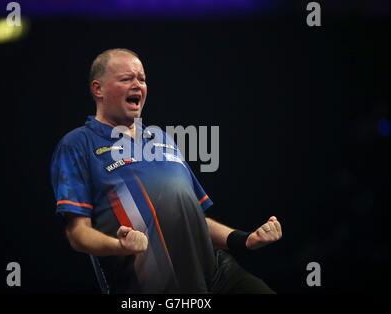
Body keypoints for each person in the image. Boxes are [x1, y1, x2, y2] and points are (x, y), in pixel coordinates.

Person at [50, 48, 282, 293]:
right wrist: (120, 245)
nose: (137, 85)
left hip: (217, 273)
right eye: (126, 79)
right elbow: (77, 233)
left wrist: (244, 239)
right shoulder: (77, 144)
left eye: (142, 79)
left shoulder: (161, 138)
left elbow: (194, 221)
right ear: (98, 90)